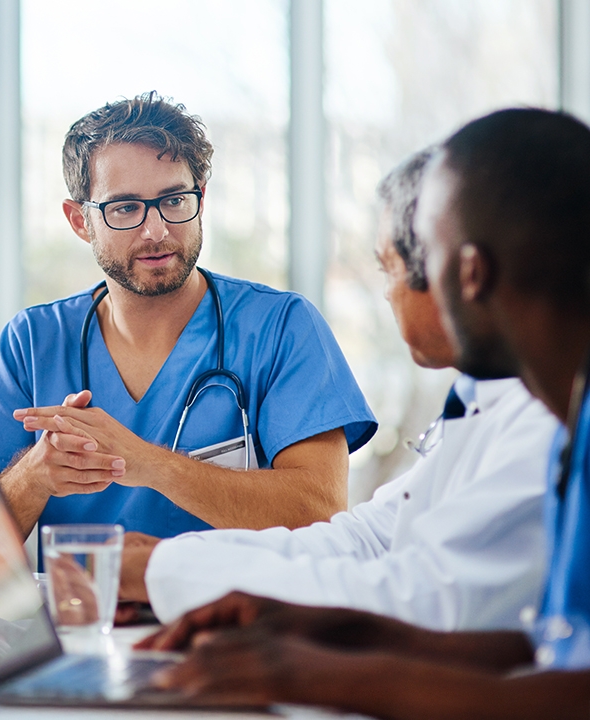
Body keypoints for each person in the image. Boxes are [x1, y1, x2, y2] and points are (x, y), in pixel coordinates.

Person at [137, 108, 590, 717]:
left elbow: (450, 607)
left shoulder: (554, 432)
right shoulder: (568, 427)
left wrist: (321, 672)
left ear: (469, 271)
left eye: (416, 258)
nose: (402, 287)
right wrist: (327, 629)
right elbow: (553, 648)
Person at [0, 92, 377, 546]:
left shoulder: (281, 328)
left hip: (234, 616)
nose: (156, 230)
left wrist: (147, 462)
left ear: (201, 198)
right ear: (80, 221)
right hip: (85, 617)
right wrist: (33, 478)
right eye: (125, 208)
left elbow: (319, 513)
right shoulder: (33, 343)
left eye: (174, 200)